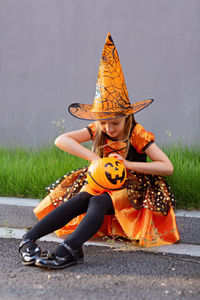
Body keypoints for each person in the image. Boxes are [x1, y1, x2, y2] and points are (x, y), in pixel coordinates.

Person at [19, 33, 180, 269]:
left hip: (131, 185)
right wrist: (96, 159)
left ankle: (70, 248)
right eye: (104, 123)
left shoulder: (136, 133)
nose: (109, 128)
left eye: (115, 123)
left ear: (127, 117)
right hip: (101, 178)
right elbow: (61, 140)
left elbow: (167, 167)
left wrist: (128, 165)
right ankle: (28, 239)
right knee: (82, 197)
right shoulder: (99, 129)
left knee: (99, 201)